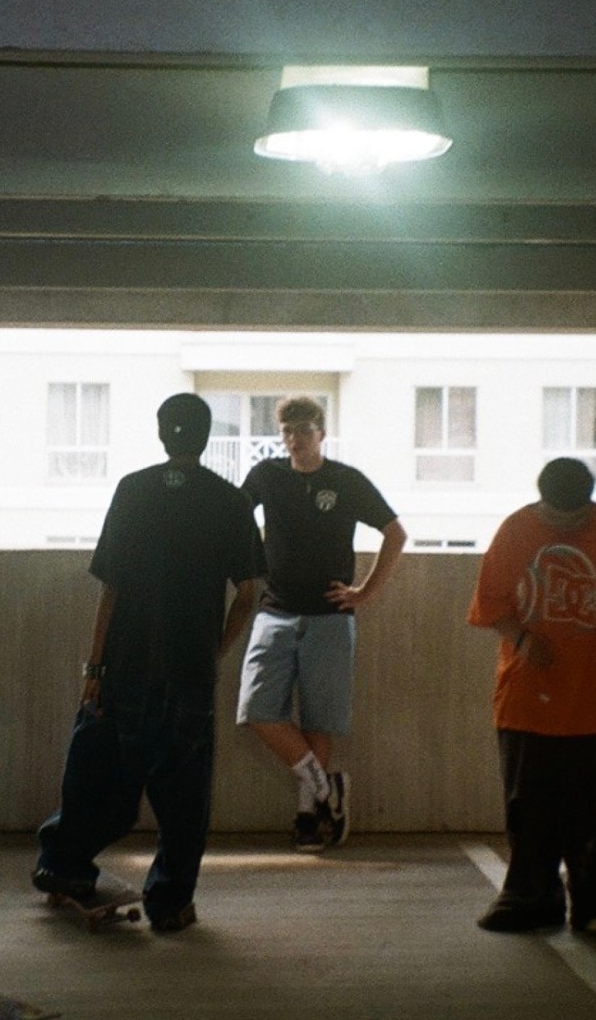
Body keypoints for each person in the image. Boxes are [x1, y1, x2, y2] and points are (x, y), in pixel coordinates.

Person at [32, 393, 264, 933]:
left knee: (98, 779)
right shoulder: (230, 501)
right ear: (206, 437)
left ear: (162, 434)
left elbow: (110, 588)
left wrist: (94, 669)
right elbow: (249, 593)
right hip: (189, 673)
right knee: (184, 799)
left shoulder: (132, 490)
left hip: (124, 668)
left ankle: (63, 864)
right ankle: (171, 903)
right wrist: (213, 650)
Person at [466, 456, 596, 935]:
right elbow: (491, 605)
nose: (567, 527)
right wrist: (522, 639)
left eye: (576, 520)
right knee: (528, 806)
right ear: (541, 502)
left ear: (589, 503)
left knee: (592, 808)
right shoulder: (516, 531)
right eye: (556, 518)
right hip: (527, 699)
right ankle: (531, 897)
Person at [236, 395, 407, 852]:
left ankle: (308, 816)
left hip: (331, 615)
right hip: (275, 610)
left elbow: (395, 533)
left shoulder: (345, 480)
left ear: (321, 433)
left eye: (303, 430)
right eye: (287, 431)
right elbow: (234, 516)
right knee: (257, 710)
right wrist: (249, 562)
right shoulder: (266, 475)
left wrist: (364, 593)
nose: (294, 439)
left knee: (319, 718)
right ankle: (328, 788)